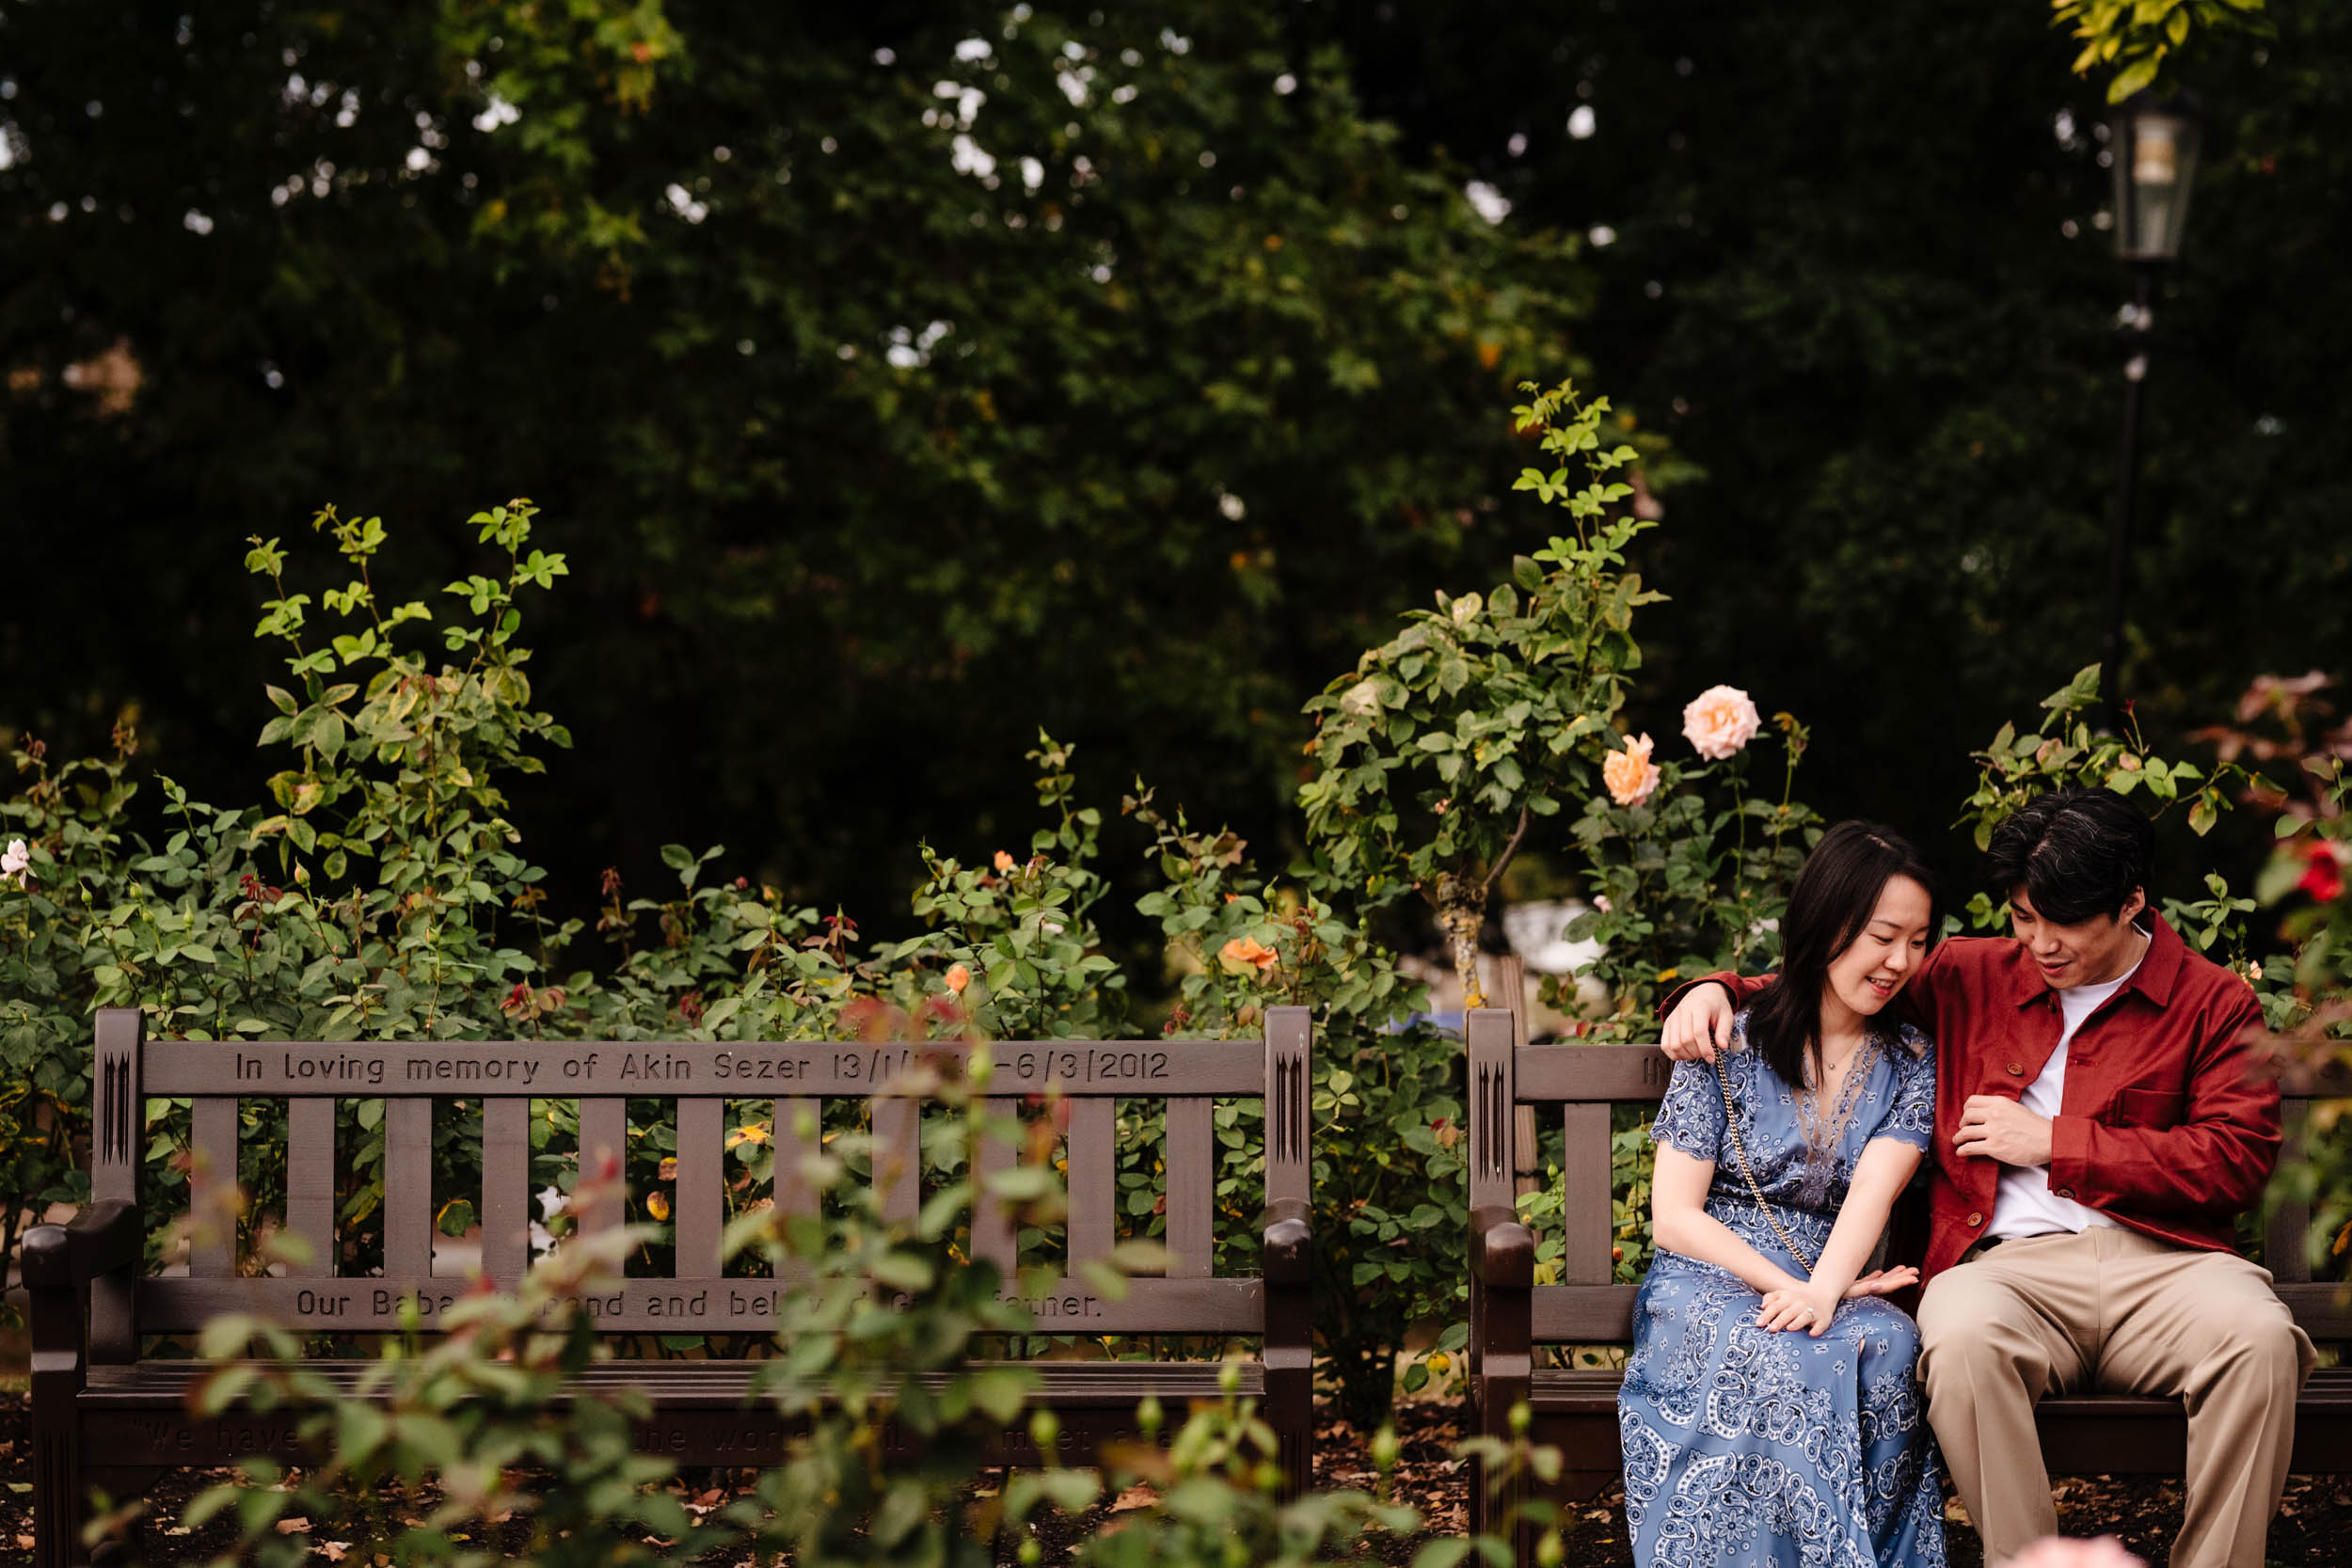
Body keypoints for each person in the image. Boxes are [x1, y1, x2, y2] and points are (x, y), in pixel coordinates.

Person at [1660, 786, 2314, 1568]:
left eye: (2064, 920)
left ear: (2132, 901)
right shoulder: (1974, 974)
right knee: (1959, 1334)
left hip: (2171, 1268)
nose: (2040, 941)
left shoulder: (2212, 1001)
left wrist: (2055, 1141)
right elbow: (1837, 978)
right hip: (2010, 1270)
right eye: (2023, 916)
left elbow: (2234, 1160)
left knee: (2262, 1339)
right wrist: (1718, 988)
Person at [1620, 820, 1948, 1568]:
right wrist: (1797, 1290)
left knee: (1888, 1341)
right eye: (1883, 935)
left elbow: (1876, 1182)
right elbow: (1674, 1217)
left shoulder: (1912, 1058)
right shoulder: (1726, 1035)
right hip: (1712, 1271)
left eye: (1919, 940)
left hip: (1831, 1266)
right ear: (1827, 923)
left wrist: (1827, 1288)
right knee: (1788, 1354)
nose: (1902, 961)